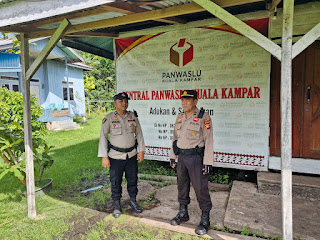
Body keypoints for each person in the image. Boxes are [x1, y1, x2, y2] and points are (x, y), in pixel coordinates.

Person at [169, 90, 214, 235]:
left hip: (196, 159)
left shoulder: (203, 117)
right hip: (181, 158)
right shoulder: (180, 116)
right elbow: (174, 138)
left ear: (195, 101)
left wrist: (208, 162)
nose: (184, 103)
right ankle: (183, 213)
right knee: (182, 186)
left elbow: (209, 140)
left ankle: (205, 219)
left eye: (188, 100)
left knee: (200, 188)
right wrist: (172, 156)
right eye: (183, 100)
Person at [98, 92, 145, 218]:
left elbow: (139, 134)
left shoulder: (133, 116)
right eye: (121, 101)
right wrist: (104, 156)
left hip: (131, 155)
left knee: (133, 179)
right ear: (115, 103)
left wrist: (141, 150)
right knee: (115, 181)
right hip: (115, 156)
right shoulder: (108, 118)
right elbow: (103, 137)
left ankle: (133, 201)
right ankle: (117, 204)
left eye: (126, 101)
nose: (124, 103)